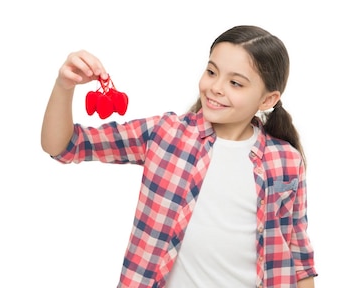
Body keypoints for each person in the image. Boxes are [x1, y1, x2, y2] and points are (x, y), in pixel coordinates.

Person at [40, 25, 317, 288]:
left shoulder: (286, 161)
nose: (216, 87)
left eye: (235, 83)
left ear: (267, 100)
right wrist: (64, 86)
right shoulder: (166, 134)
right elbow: (65, 146)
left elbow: (299, 254)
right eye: (211, 72)